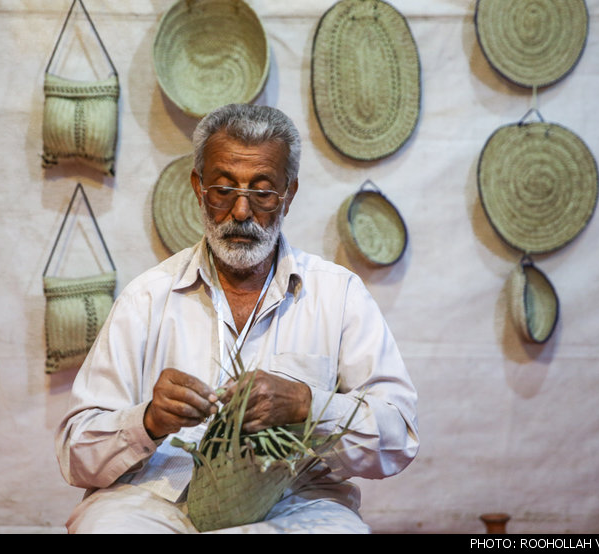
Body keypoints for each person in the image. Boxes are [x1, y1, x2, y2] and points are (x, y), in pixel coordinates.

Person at [55, 103, 419, 534]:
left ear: (290, 193)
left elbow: (397, 436)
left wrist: (307, 404)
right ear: (198, 187)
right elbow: (76, 453)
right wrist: (149, 420)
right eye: (223, 190)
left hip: (292, 501)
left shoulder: (337, 295)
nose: (241, 212)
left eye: (263, 192)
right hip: (154, 501)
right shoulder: (147, 298)